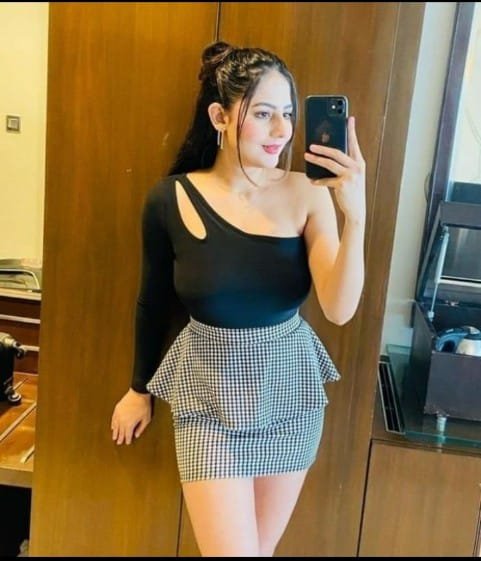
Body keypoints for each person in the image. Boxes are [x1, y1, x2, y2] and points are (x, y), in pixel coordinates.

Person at [111, 41, 365, 557]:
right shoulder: (169, 198)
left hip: (290, 393)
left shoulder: (308, 192)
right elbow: (152, 302)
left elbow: (339, 310)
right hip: (207, 396)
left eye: (288, 114)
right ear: (220, 117)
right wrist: (139, 389)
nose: (282, 130)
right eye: (264, 113)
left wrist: (354, 215)